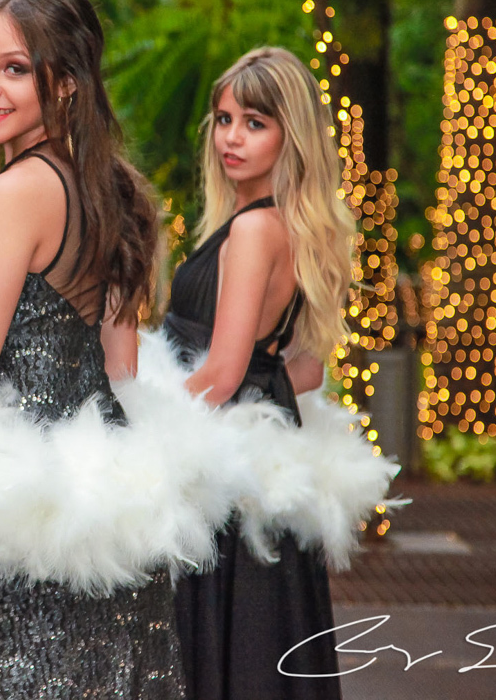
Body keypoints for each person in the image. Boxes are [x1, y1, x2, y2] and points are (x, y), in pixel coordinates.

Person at [0, 0, 179, 697]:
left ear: (65, 82)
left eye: (14, 68)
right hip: (97, 517)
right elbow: (121, 373)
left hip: (17, 519)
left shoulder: (17, 192)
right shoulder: (117, 190)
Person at [164, 47, 354, 700]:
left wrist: (132, 425)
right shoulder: (291, 228)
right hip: (248, 473)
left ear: (289, 134)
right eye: (222, 119)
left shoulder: (252, 232)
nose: (231, 138)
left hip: (221, 483)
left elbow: (219, 373)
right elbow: (300, 370)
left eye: (254, 122)